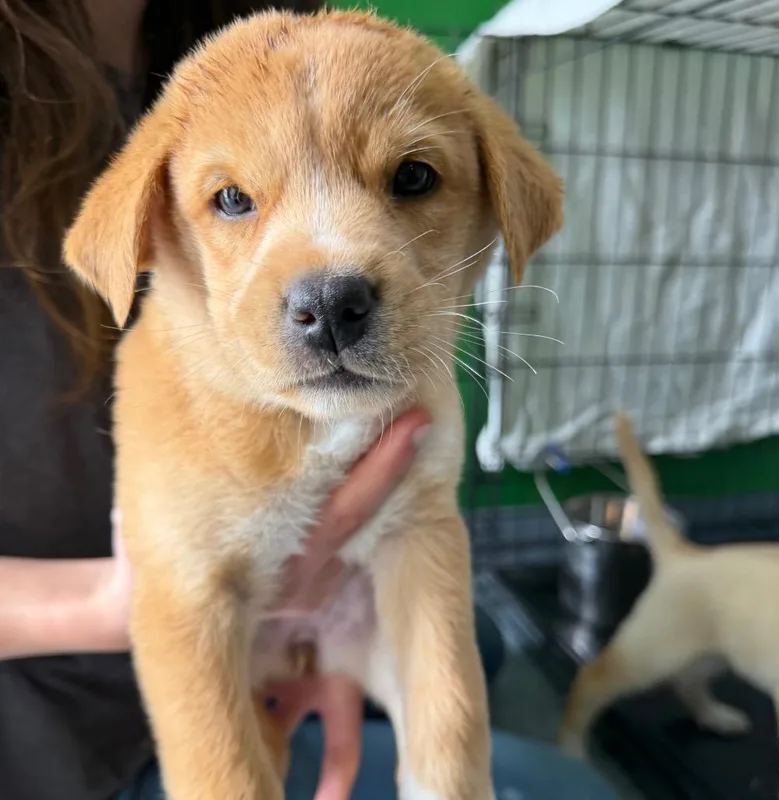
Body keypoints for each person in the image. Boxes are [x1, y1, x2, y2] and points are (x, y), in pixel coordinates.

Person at [0, 1, 620, 798]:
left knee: (482, 643)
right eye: (233, 201)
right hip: (54, 728)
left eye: (412, 178)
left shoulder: (244, 38)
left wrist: (323, 641)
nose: (327, 292)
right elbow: (187, 609)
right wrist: (122, 601)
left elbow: (418, 529)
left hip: (306, 626)